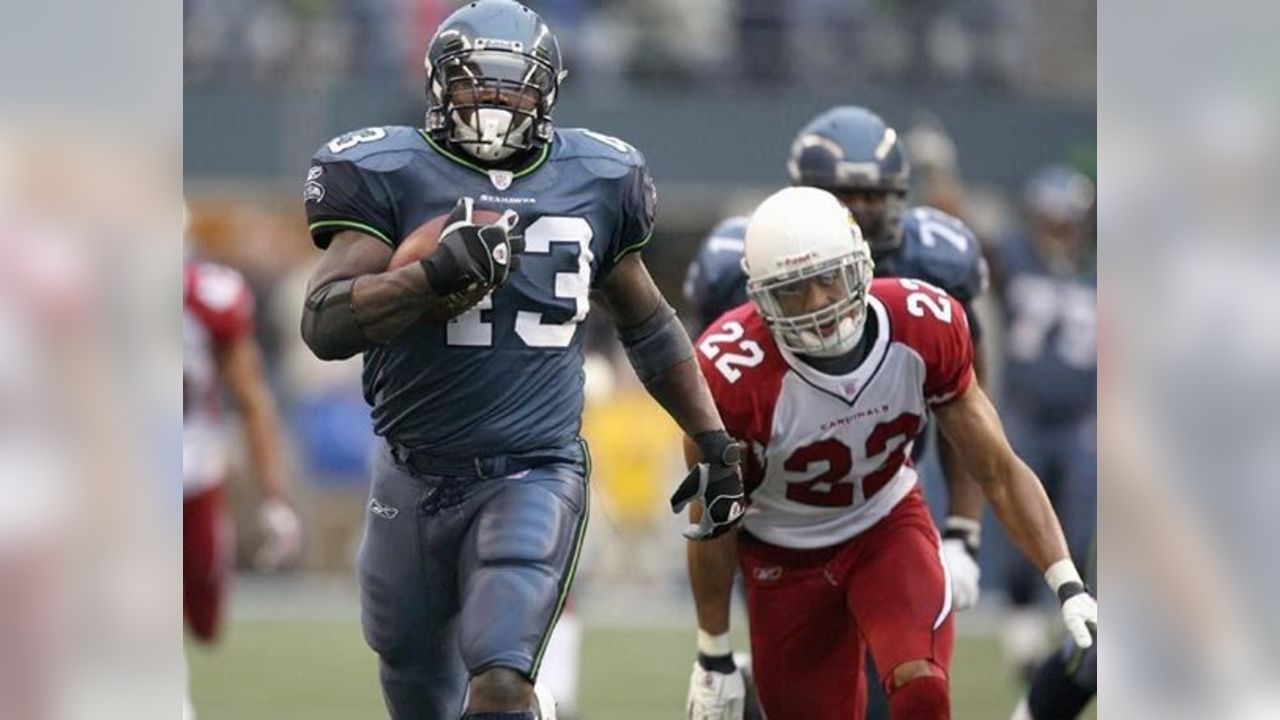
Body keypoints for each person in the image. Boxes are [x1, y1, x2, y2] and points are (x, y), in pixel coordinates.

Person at [297, 2, 744, 718]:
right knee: (413, 682)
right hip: (411, 468)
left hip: (533, 468)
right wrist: (427, 280)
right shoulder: (391, 171)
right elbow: (323, 324)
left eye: (514, 87)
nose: (495, 104)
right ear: (439, 87)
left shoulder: (598, 176)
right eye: (476, 85)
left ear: (549, 93)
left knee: (501, 681)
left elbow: (650, 325)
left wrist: (715, 439)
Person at [683, 187, 1096, 720]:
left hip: (886, 527)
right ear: (761, 299)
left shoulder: (923, 323)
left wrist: (1065, 581)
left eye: (829, 277)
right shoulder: (729, 373)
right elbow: (714, 523)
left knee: (921, 690)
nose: (818, 305)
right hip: (783, 557)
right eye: (794, 290)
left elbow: (996, 467)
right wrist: (711, 651)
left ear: (860, 263)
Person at [683, 106, 989, 718]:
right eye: (846, 194)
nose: (867, 207)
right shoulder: (739, 266)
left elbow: (969, 407)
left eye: (878, 192)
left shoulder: (936, 263)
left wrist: (962, 529)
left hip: (889, 483)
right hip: (781, 516)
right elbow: (709, 422)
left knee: (905, 682)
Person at [986, 166, 1096, 678]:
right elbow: (964, 241)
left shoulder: (1099, 274)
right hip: (1027, 417)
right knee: (1022, 526)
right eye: (1049, 219)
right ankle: (1024, 637)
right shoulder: (1015, 261)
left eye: (1065, 220)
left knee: (1079, 530)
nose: (1056, 230)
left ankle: (1067, 632)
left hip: (1080, 423)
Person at [183, 259, 302, 644]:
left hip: (191, 470)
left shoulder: (207, 301)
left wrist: (274, 497)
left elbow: (252, 400)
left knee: (206, 622)